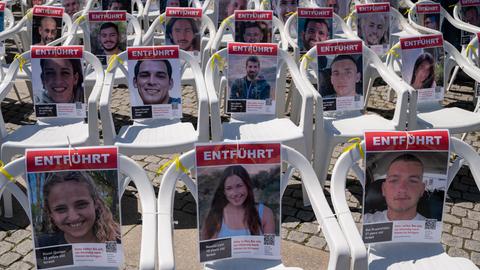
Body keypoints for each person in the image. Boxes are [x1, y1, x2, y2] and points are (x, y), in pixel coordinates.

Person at [38, 171, 121, 246]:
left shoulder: (116, 240)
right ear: (50, 213)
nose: (73, 217)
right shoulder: (42, 246)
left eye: (81, 205)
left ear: (96, 203)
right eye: (61, 209)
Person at [201, 165, 275, 240]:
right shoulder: (215, 216)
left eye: (239, 186)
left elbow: (270, 247)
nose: (235, 193)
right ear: (224, 192)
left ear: (247, 186)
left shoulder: (266, 213)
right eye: (229, 188)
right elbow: (207, 249)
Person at [364, 154, 427, 223]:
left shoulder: (432, 228)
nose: (402, 189)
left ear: (422, 190)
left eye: (412, 181)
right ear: (384, 189)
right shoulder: (365, 221)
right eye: (394, 180)